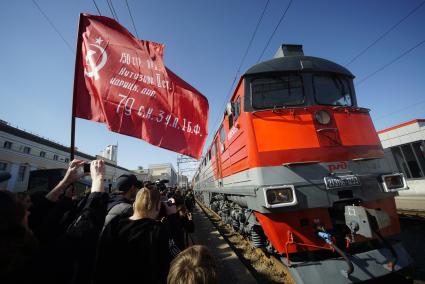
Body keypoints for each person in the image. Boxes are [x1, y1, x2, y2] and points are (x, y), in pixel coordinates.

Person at [94, 186, 180, 284]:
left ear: (134, 204)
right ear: (157, 207)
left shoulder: (114, 224)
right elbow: (179, 259)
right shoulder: (158, 231)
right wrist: (173, 217)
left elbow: (100, 260)